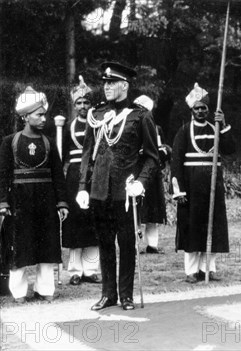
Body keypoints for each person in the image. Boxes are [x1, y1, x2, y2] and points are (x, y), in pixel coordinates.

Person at [77, 62, 160, 311]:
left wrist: (142, 183)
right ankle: (108, 294)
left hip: (126, 193)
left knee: (126, 243)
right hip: (100, 190)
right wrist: (83, 186)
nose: (107, 87)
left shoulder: (140, 116)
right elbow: (87, 153)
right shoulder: (97, 115)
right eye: (104, 82)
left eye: (111, 83)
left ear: (124, 85)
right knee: (104, 243)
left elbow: (152, 158)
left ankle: (125, 295)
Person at [0, 87, 69, 303]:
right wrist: (2, 202)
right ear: (25, 116)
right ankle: (19, 292)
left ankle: (45, 288)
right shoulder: (9, 142)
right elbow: (2, 175)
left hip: (46, 202)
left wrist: (62, 202)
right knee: (19, 246)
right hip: (19, 203)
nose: (43, 118)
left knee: (47, 246)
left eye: (44, 114)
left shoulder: (49, 142)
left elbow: (58, 176)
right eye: (38, 114)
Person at [171, 83, 235, 284]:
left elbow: (230, 149)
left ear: (209, 109)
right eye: (197, 108)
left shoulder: (215, 128)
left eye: (204, 108)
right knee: (192, 227)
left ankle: (208, 268)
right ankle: (191, 271)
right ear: (192, 110)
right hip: (190, 186)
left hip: (213, 186)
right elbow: (175, 163)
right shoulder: (183, 131)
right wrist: (178, 190)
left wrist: (223, 125)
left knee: (212, 226)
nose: (201, 111)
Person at [62, 76, 101, 286]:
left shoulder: (98, 125)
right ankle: (75, 271)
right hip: (75, 176)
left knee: (93, 223)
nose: (83, 106)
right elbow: (62, 156)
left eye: (86, 102)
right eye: (79, 103)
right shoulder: (68, 127)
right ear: (74, 105)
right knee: (75, 223)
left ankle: (91, 269)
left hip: (94, 174)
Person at [133, 95, 171, 254]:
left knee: (153, 209)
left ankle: (152, 244)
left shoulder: (156, 128)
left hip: (152, 173)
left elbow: (161, 149)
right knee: (136, 208)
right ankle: (133, 243)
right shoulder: (130, 126)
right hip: (135, 171)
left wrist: (162, 152)